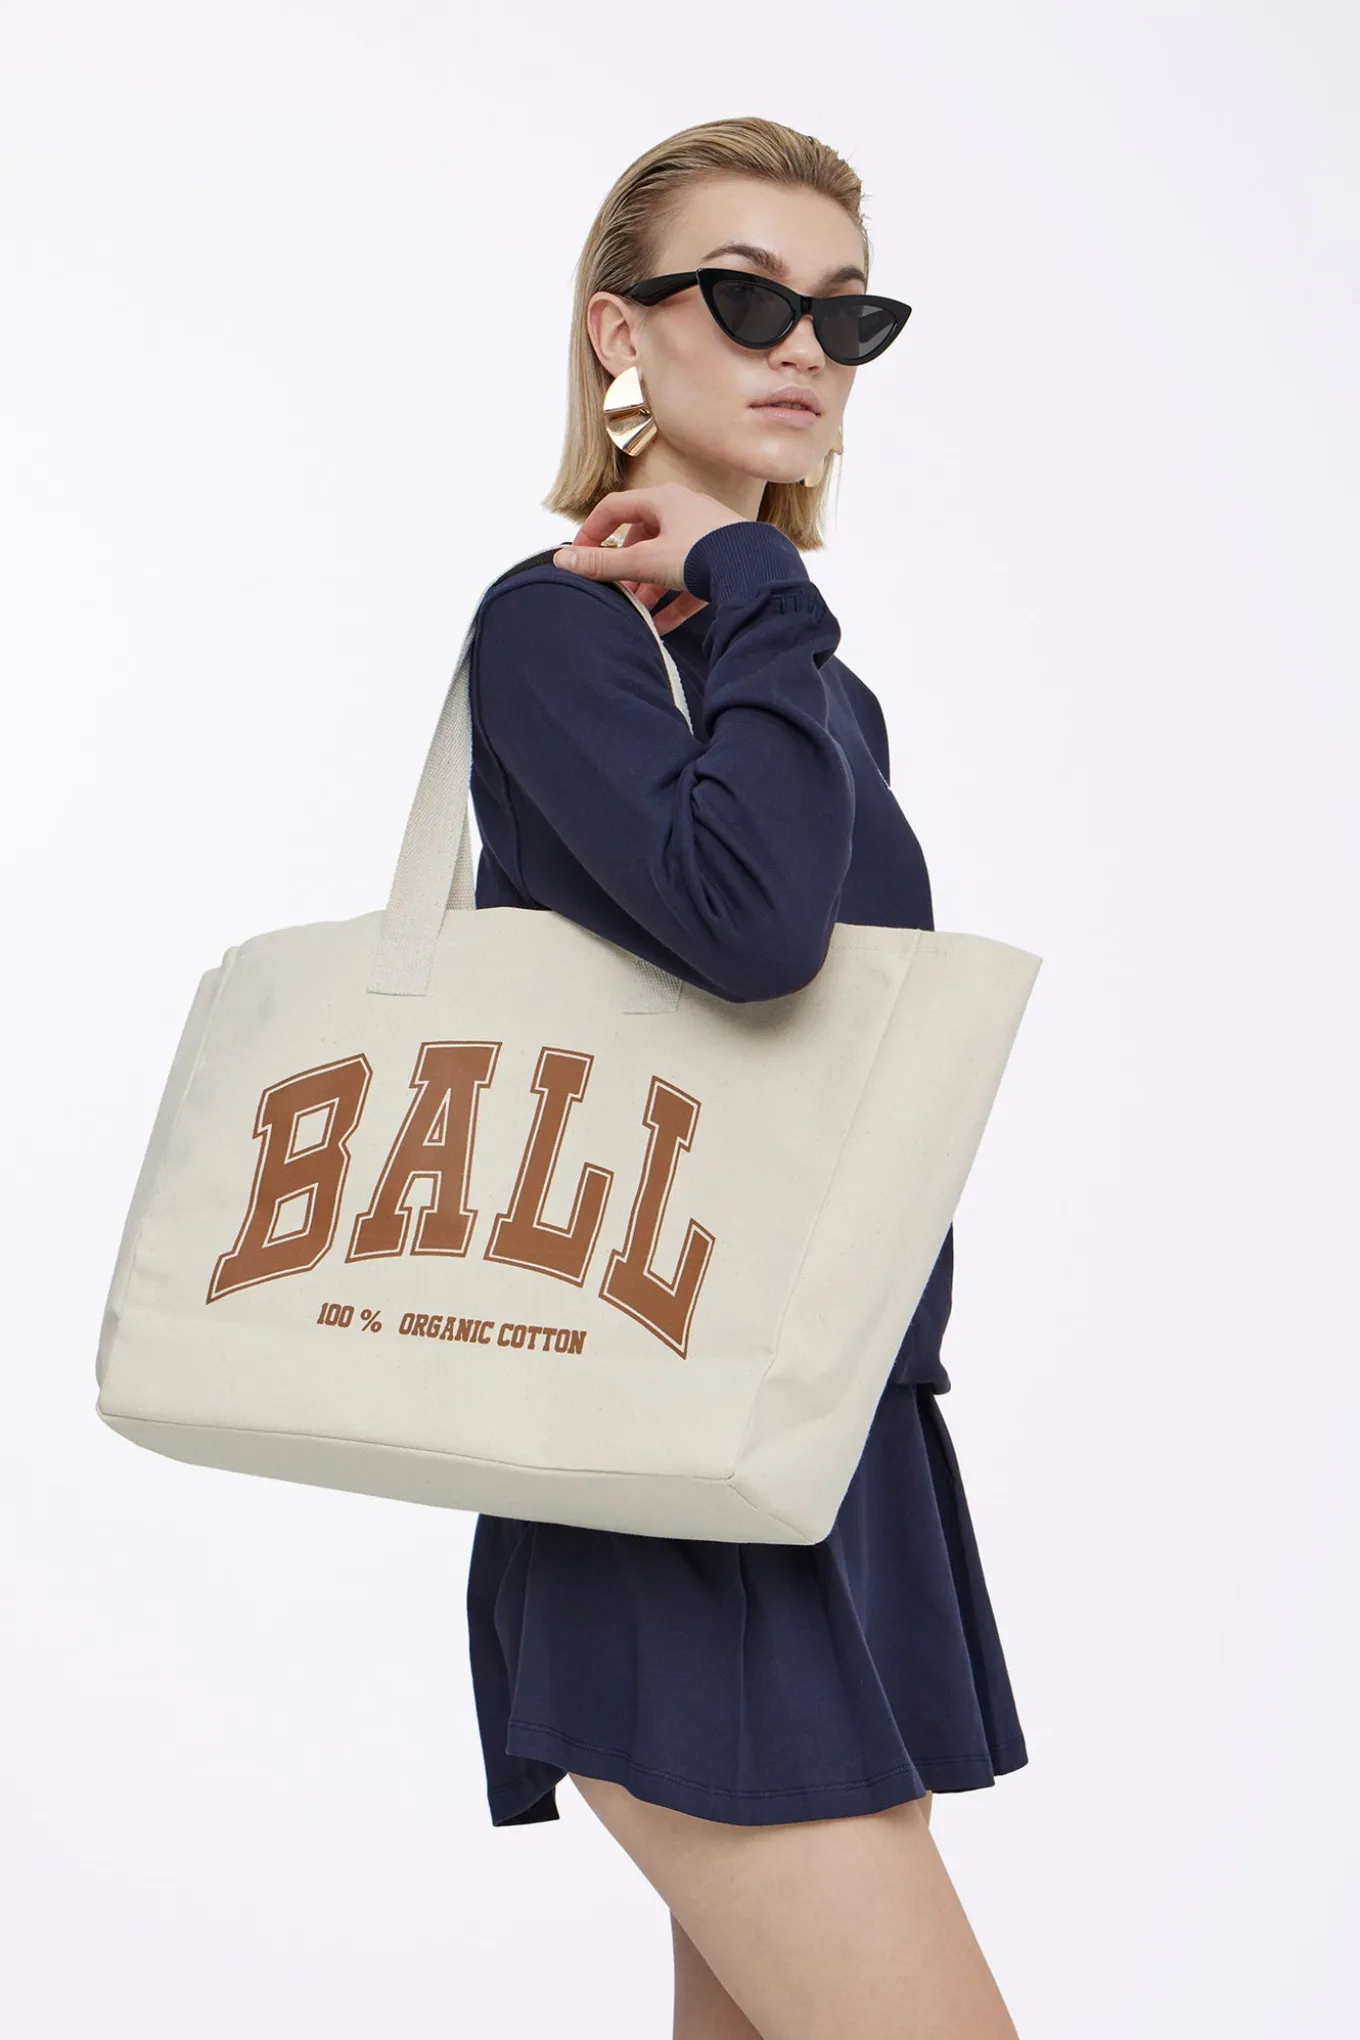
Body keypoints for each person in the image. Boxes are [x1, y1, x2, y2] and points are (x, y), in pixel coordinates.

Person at [463, 116, 1028, 2040]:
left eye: (845, 315)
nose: (806, 351)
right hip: (665, 1454)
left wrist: (762, 607)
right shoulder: (564, 630)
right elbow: (759, 933)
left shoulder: (800, 679)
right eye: (748, 298)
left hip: (827, 1426)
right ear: (621, 333)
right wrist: (757, 582)